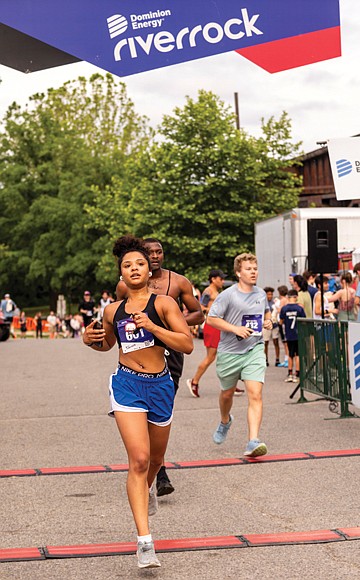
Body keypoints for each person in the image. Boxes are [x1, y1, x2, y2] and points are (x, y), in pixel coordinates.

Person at [84, 235, 193, 569]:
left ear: (149, 272)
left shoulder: (163, 305)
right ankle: (145, 542)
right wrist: (90, 341)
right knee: (140, 459)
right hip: (127, 384)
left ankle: (148, 493)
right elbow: (107, 345)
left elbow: (186, 344)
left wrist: (153, 327)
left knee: (157, 459)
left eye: (140, 264)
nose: (134, 269)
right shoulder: (112, 310)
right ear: (121, 273)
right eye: (127, 265)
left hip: (160, 386)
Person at [116, 237, 203, 497]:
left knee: (161, 408)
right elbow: (118, 316)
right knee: (137, 412)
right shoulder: (124, 286)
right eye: (149, 253)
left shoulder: (178, 282)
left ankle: (155, 461)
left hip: (171, 350)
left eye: (159, 252)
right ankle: (156, 470)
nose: (155, 256)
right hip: (139, 352)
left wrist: (169, 321)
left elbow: (198, 314)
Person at [207, 252, 272, 457]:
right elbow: (211, 319)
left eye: (255, 269)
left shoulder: (261, 294)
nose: (253, 272)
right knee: (227, 394)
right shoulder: (228, 295)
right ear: (238, 272)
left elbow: (266, 313)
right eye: (248, 269)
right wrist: (235, 329)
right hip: (229, 352)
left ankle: (253, 441)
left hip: (254, 349)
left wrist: (268, 321)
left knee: (255, 394)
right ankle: (225, 420)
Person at [186, 269, 226, 397]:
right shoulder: (208, 291)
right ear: (213, 279)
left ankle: (230, 384)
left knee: (225, 354)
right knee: (210, 357)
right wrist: (213, 309)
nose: (223, 281)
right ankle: (194, 381)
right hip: (211, 326)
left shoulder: (216, 291)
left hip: (219, 325)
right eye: (221, 279)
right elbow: (201, 307)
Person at [279, 290, 306, 383]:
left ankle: (290, 373)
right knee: (298, 354)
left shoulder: (284, 308)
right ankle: (297, 374)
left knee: (290, 354)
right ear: (296, 297)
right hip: (298, 333)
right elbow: (304, 321)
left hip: (289, 333)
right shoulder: (299, 309)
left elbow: (281, 321)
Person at [262, 287, 280, 367]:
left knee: (276, 341)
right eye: (268, 294)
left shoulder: (274, 303)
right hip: (266, 325)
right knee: (265, 342)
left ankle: (277, 358)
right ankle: (265, 359)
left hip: (274, 324)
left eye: (271, 294)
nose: (270, 296)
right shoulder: (263, 303)